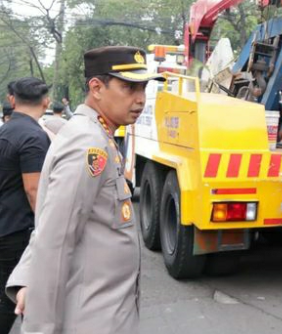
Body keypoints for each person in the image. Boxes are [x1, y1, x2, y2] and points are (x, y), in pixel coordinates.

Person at [6, 46, 164, 334]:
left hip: (103, 308)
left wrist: (28, 276)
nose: (140, 99)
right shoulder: (88, 145)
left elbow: (50, 227)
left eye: (143, 88)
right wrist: (41, 328)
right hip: (92, 317)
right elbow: (55, 239)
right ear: (96, 87)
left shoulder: (99, 134)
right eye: (129, 87)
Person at [0, 78, 51, 333]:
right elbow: (35, 191)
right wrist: (47, 231)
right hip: (18, 232)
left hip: (5, 223)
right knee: (14, 299)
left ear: (12, 100)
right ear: (46, 102)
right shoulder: (33, 136)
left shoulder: (6, 131)